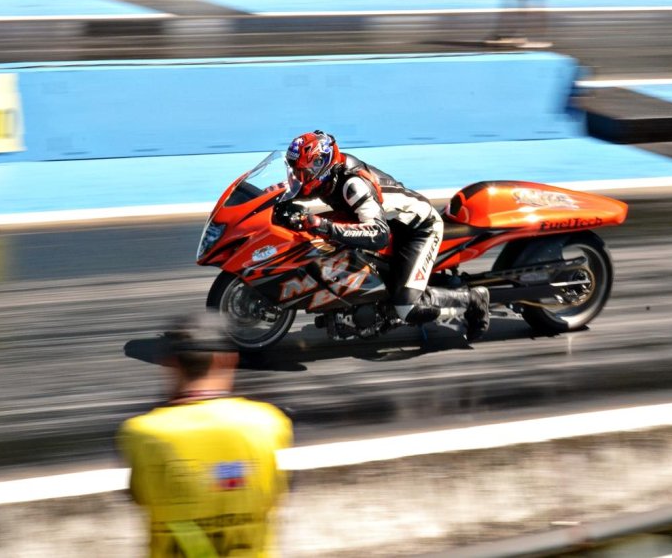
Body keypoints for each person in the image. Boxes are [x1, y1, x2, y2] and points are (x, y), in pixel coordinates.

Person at [282, 130, 490, 338]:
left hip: (416, 230)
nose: (299, 177)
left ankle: (472, 299)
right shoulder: (325, 177)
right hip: (387, 224)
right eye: (295, 171)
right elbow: (288, 191)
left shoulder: (353, 186)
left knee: (407, 307)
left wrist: (326, 226)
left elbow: (378, 233)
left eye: (302, 172)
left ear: (321, 165)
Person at [118, 315, 293, 557]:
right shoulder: (269, 424)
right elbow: (278, 493)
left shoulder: (141, 434)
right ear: (228, 360)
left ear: (170, 364)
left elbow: (141, 496)